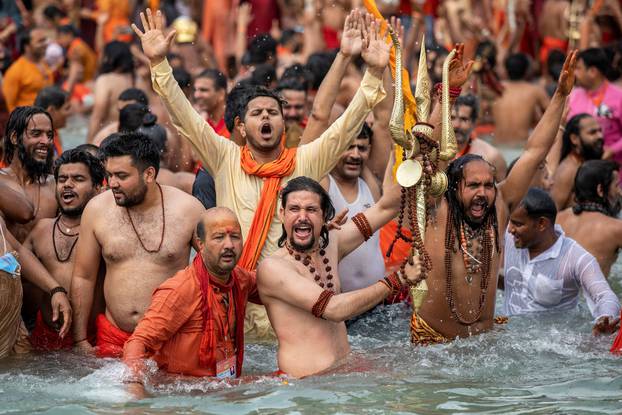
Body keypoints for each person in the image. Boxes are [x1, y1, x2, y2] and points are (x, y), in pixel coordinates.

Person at [133, 9, 389, 337]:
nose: (266, 117)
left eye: (273, 112)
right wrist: (159, 65)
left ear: (284, 124)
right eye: (257, 113)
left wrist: (373, 73)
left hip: (293, 313)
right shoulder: (225, 157)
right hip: (234, 307)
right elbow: (185, 118)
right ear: (240, 126)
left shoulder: (305, 161)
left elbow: (347, 125)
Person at [408, 51, 577, 344]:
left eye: (488, 185)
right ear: (453, 187)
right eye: (473, 186)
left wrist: (560, 95)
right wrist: (449, 93)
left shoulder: (499, 203)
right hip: (431, 346)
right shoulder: (435, 208)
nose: (483, 193)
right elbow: (425, 153)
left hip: (483, 344)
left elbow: (534, 152)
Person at [257, 176, 420, 378]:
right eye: (294, 209)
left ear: (324, 215)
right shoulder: (273, 268)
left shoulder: (331, 243)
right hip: (301, 388)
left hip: (344, 376)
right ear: (282, 214)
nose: (302, 217)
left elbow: (385, 209)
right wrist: (398, 280)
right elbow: (333, 309)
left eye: (311, 209)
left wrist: (417, 169)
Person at [70, 132, 205, 356]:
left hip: (172, 339)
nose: (112, 183)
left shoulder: (189, 209)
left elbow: (212, 274)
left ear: (149, 174)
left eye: (121, 176)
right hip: (114, 339)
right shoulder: (96, 210)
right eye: (109, 175)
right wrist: (80, 339)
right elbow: (84, 276)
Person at [123, 208, 258, 398]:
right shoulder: (181, 289)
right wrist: (135, 391)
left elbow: (277, 289)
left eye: (235, 237)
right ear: (200, 244)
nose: (229, 245)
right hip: (179, 395)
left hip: (220, 389)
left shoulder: (240, 280)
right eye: (219, 237)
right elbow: (138, 342)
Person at [504, 188, 620, 334]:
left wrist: (605, 318)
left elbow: (605, 295)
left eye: (517, 224)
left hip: (550, 344)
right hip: (505, 327)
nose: (509, 229)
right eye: (510, 222)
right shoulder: (510, 239)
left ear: (541, 224)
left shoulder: (575, 257)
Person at [24, 149, 104, 350]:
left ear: (97, 187)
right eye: (62, 179)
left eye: (77, 179)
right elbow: (13, 267)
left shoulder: (105, 230)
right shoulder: (41, 229)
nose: (67, 184)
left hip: (92, 341)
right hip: (44, 338)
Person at [321, 123, 383, 293]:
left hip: (376, 301)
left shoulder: (371, 186)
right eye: (348, 147)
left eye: (361, 148)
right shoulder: (324, 184)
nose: (355, 155)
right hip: (339, 304)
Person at [1, 107, 58, 243]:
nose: (46, 141)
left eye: (49, 135)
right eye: (36, 133)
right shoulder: (1, 181)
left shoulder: (57, 185)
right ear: (15, 138)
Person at [557, 160, 622, 277]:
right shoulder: (616, 228)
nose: (620, 192)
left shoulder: (557, 219)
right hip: (593, 294)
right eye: (616, 185)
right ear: (600, 190)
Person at [567, 48, 622, 166]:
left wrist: (612, 150)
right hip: (580, 168)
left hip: (614, 169)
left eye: (578, 68)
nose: (574, 73)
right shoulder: (573, 96)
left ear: (592, 71)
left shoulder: (618, 97)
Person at [492, 53, 550, 145]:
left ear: (506, 71)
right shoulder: (535, 90)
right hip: (521, 149)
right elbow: (554, 115)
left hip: (497, 146)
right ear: (527, 71)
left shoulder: (495, 89)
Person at [551, 113, 605, 209]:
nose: (600, 136)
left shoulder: (587, 164)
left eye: (600, 131)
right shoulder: (567, 170)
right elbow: (552, 213)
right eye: (592, 132)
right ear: (574, 139)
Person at [87, 41, 134, 143]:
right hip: (134, 137)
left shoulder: (105, 80)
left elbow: (97, 117)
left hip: (109, 138)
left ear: (108, 58)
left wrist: (87, 146)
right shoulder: (138, 80)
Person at [453, 94, 507, 179]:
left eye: (464, 119)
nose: (456, 125)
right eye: (451, 118)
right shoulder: (436, 153)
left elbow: (503, 191)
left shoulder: (491, 156)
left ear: (474, 123)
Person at [2, 29, 53, 112]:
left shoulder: (44, 64)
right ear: (27, 46)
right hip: (28, 121)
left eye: (45, 40)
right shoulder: (15, 70)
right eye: (40, 41)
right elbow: (9, 106)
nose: (45, 44)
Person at [56, 24, 97, 96]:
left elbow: (75, 72)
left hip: (84, 84)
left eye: (60, 37)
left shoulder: (75, 48)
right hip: (89, 82)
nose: (59, 41)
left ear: (69, 35)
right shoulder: (79, 44)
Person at [34, 86, 72, 157]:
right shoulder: (36, 140)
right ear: (51, 110)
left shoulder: (53, 131)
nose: (70, 113)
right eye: (66, 108)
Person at [193, 69, 230, 138]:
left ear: (221, 94)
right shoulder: (197, 124)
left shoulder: (236, 124)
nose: (196, 95)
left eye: (203, 90)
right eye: (195, 90)